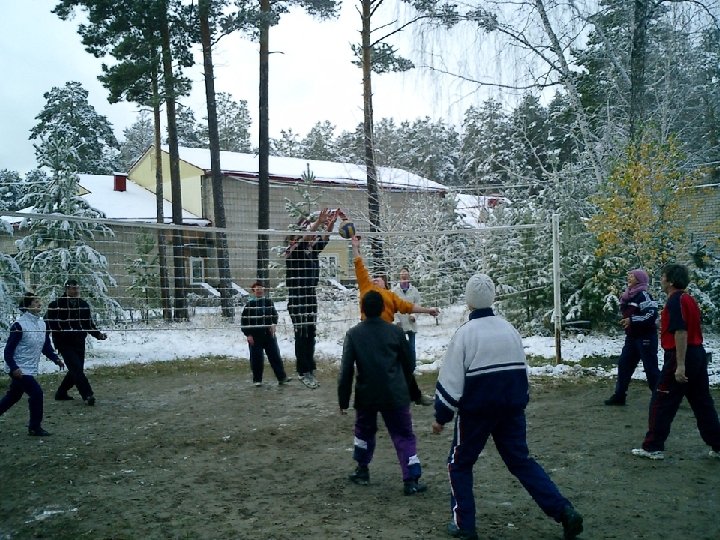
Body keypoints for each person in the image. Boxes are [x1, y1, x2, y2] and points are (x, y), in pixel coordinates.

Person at [432, 273, 583, 540]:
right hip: (511, 408)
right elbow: (522, 372)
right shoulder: (509, 329)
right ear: (492, 298)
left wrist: (441, 417)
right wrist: (520, 401)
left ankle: (464, 525)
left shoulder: (465, 334)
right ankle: (564, 511)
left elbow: (451, 380)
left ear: (469, 302)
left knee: (459, 464)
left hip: (477, 412)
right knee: (521, 462)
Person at [338, 290, 427, 496]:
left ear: (362, 309)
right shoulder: (395, 332)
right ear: (383, 308)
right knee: (403, 435)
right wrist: (411, 390)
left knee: (363, 432)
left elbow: (346, 370)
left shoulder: (353, 334)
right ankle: (411, 479)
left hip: (366, 394)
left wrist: (343, 400)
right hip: (395, 393)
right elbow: (409, 363)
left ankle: (362, 470)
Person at [631, 263, 720, 460]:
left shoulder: (675, 301)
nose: (661, 280)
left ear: (670, 281)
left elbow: (681, 332)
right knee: (702, 402)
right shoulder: (689, 299)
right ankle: (718, 443)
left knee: (661, 401)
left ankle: (652, 446)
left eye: (663, 276)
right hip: (697, 354)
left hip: (682, 354)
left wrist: (680, 365)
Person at [351, 236, 439, 405]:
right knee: (367, 368)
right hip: (367, 335)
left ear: (385, 282)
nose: (375, 279)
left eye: (379, 277)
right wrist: (355, 246)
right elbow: (358, 263)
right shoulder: (366, 288)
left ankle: (416, 395)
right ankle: (366, 400)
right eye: (373, 277)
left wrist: (428, 310)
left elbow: (409, 307)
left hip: (386, 335)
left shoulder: (391, 296)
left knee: (403, 364)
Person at [285, 208, 339, 389]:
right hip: (298, 297)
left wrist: (329, 225)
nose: (313, 234)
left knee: (311, 333)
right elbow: (307, 237)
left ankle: (309, 368)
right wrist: (316, 223)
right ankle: (303, 371)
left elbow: (322, 240)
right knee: (302, 334)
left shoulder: (311, 251)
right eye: (308, 229)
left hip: (310, 296)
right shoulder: (293, 250)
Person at [1, 292, 65, 436]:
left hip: (29, 367)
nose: (39, 304)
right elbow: (8, 351)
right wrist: (14, 367)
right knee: (36, 393)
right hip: (19, 368)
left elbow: (45, 346)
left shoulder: (42, 324)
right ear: (28, 306)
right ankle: (34, 427)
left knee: (13, 396)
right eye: (36, 302)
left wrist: (55, 359)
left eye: (39, 301)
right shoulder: (19, 325)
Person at [45, 279, 107, 406]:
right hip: (63, 342)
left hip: (79, 341)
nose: (75, 290)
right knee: (76, 369)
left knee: (76, 369)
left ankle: (61, 392)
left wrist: (98, 334)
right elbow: (49, 323)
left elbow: (88, 323)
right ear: (66, 289)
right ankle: (87, 395)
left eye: (77, 288)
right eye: (72, 288)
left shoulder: (83, 305)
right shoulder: (56, 305)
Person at [605, 268, 659, 406]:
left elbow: (651, 315)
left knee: (650, 368)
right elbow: (626, 313)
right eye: (628, 275)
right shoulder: (627, 296)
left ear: (640, 280)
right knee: (624, 365)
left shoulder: (644, 295)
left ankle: (660, 398)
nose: (629, 278)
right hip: (632, 337)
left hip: (646, 337)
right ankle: (619, 396)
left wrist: (632, 320)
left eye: (632, 276)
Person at [240, 280, 290, 387]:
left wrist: (273, 324)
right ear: (253, 291)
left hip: (268, 335)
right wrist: (248, 335)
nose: (259, 291)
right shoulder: (249, 305)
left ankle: (282, 378)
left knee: (275, 356)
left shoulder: (268, 302)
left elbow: (274, 315)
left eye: (261, 289)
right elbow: (244, 322)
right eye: (257, 289)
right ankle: (257, 380)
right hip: (255, 337)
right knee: (256, 359)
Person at [391, 266, 421, 366]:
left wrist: (414, 316)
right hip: (400, 323)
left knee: (412, 347)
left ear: (409, 276)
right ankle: (401, 366)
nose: (404, 275)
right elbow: (392, 306)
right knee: (400, 346)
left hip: (411, 322)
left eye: (406, 273)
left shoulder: (414, 290)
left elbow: (418, 305)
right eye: (402, 273)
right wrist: (395, 321)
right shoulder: (394, 291)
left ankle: (412, 366)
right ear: (399, 276)